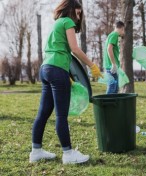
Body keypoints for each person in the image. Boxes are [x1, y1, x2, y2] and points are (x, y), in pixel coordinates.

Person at [29, 0, 102, 164]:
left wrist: (65, 74)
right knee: (61, 115)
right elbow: (74, 48)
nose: (78, 17)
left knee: (43, 113)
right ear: (70, 10)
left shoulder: (57, 23)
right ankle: (68, 154)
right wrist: (92, 65)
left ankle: (36, 151)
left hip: (46, 68)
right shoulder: (67, 21)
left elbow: (59, 50)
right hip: (56, 70)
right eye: (77, 13)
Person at [103, 21, 125, 94]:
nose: (123, 32)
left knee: (115, 88)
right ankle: (106, 104)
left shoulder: (111, 35)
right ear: (122, 28)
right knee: (112, 87)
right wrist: (113, 64)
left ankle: (113, 105)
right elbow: (109, 49)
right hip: (111, 66)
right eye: (123, 30)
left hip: (109, 65)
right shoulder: (115, 35)